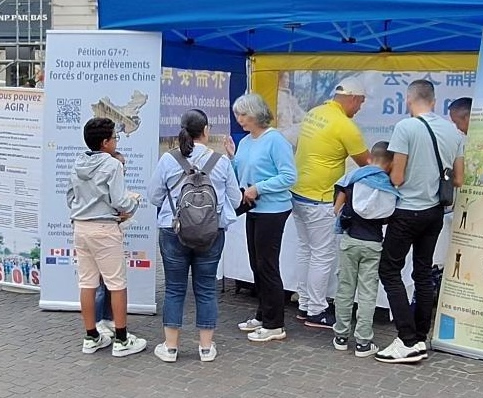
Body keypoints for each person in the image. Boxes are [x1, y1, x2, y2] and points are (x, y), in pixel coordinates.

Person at [375, 79, 465, 364]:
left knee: (389, 270)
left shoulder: (406, 127)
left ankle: (407, 340)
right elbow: (459, 179)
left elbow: (398, 177)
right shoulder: (453, 132)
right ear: (434, 101)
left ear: (408, 99)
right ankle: (420, 336)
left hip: (407, 211)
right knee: (423, 272)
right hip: (435, 212)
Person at [147, 109, 243, 363]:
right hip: (212, 233)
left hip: (173, 230)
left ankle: (170, 347)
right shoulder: (220, 162)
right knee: (206, 288)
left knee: (175, 289)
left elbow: (154, 197)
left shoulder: (169, 160)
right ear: (206, 130)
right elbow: (236, 199)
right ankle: (206, 348)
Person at [288, 78, 370, 329]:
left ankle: (304, 304)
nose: (359, 110)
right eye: (361, 104)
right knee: (322, 256)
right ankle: (317, 310)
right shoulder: (346, 126)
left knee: (306, 251)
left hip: (298, 192)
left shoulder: (314, 113)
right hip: (321, 198)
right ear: (354, 98)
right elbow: (368, 165)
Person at [68, 117, 146, 357]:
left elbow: (70, 197)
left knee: (87, 282)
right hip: (104, 229)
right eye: (115, 138)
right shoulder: (113, 166)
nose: (116, 141)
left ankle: (91, 336)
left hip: (81, 227)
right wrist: (133, 202)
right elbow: (120, 201)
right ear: (105, 142)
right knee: (117, 284)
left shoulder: (78, 162)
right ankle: (122, 340)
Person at [227, 93, 298, 343]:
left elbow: (289, 176)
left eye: (243, 114)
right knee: (257, 264)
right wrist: (232, 159)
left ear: (257, 114)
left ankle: (274, 323)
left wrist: (260, 187)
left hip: (272, 209)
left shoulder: (276, 141)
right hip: (253, 208)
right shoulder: (246, 141)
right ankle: (263, 313)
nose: (239, 119)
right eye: (237, 114)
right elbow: (241, 171)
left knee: (267, 265)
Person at [331, 141, 399, 357]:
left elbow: (337, 206)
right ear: (390, 164)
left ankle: (341, 336)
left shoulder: (355, 176)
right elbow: (389, 216)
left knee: (345, 289)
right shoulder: (389, 185)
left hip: (350, 241)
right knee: (368, 293)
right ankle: (363, 342)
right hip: (373, 244)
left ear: (371, 157)